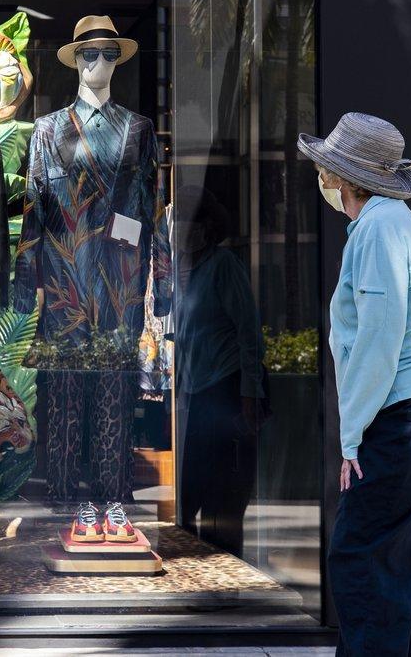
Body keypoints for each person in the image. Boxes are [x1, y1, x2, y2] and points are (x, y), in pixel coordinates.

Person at [299, 113, 411, 656]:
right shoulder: (392, 219)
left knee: (359, 556)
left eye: (326, 168)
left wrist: (351, 438)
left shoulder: (375, 227)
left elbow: (378, 338)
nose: (321, 177)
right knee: (396, 559)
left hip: (410, 411)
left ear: (341, 177)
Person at [172, 185, 267, 555]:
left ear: (208, 228)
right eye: (178, 220)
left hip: (226, 388)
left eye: (190, 222)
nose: (182, 228)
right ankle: (199, 567)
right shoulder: (185, 270)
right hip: (197, 391)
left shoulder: (223, 265)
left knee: (224, 494)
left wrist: (250, 393)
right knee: (192, 492)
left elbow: (248, 330)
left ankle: (227, 569)